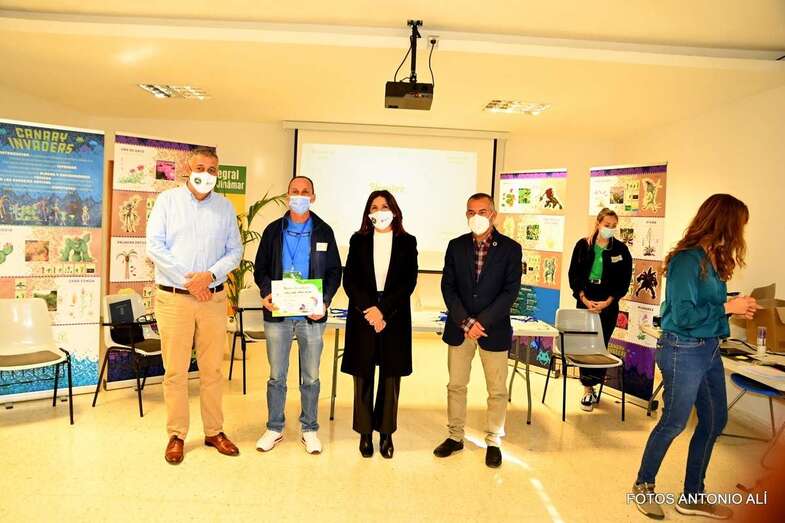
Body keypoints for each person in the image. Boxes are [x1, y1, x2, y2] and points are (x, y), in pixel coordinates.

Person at [632, 194, 761, 520]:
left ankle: (692, 495)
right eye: (740, 225)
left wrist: (734, 305)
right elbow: (685, 315)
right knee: (674, 422)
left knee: (715, 420)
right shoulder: (686, 260)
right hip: (683, 350)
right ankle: (643, 485)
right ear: (725, 223)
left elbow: (707, 304)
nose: (741, 233)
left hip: (708, 348)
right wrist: (728, 307)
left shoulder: (712, 258)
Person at [146, 146, 242, 465]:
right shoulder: (167, 201)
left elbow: (234, 251)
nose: (206, 174)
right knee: (175, 371)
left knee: (212, 370)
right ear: (188, 169)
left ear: (217, 173)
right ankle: (177, 434)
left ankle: (214, 432)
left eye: (212, 170)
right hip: (174, 298)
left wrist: (209, 276)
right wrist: (191, 281)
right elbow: (155, 247)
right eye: (200, 168)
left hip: (212, 299)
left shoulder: (225, 208)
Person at [253, 176, 342, 455]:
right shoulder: (273, 230)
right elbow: (260, 269)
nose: (300, 196)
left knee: (311, 376)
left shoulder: (324, 231)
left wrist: (324, 302)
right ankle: (274, 427)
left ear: (313, 197)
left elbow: (334, 271)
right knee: (276, 375)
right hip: (278, 314)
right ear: (287, 195)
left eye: (305, 192)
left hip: (311, 316)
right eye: (295, 191)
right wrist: (266, 292)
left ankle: (310, 429)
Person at [433, 193, 522, 468]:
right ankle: (455, 436)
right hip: (460, 329)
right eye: (471, 212)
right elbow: (448, 287)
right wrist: (466, 322)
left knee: (497, 390)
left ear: (493, 214)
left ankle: (493, 440)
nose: (476, 217)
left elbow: (510, 292)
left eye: (482, 211)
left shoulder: (510, 249)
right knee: (456, 385)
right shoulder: (456, 246)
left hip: (493, 330)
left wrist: (481, 322)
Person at [341, 190, 418, 459]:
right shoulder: (358, 240)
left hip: (393, 315)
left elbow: (408, 282)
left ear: (394, 211)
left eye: (384, 206)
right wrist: (370, 310)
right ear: (368, 213)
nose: (379, 211)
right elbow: (350, 280)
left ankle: (386, 433)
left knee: (390, 375)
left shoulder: (407, 242)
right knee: (362, 375)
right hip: (363, 314)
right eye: (374, 207)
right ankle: (364, 433)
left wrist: (382, 311)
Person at [567, 208, 632, 412]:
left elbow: (624, 280)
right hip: (585, 298)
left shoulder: (621, 250)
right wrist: (583, 298)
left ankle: (595, 384)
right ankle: (587, 389)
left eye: (613, 226)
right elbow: (573, 274)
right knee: (585, 347)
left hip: (608, 303)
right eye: (607, 225)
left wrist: (608, 301)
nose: (610, 229)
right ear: (598, 224)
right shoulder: (583, 245)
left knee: (600, 347)